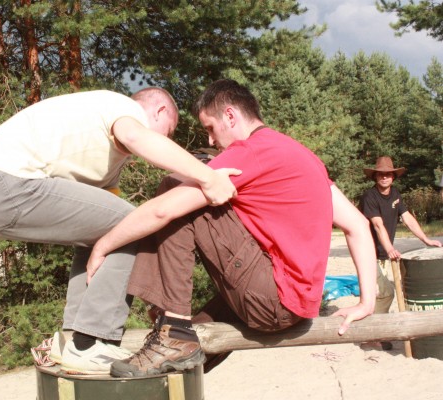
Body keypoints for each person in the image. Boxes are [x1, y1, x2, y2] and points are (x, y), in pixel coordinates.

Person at [86, 79, 377, 378]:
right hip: (294, 306)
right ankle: (172, 341)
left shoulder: (251, 151)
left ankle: (171, 327)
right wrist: (367, 302)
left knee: (175, 186)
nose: (211, 140)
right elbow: (358, 225)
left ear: (230, 116)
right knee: (182, 365)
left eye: (211, 128)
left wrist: (103, 245)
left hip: (270, 298)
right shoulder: (302, 155)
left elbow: (163, 210)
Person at [0, 87, 240, 374]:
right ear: (159, 111)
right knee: (134, 223)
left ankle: (75, 341)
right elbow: (135, 139)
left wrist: (150, 298)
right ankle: (90, 342)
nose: (166, 140)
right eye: (168, 131)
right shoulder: (122, 108)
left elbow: (112, 239)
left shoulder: (108, 163)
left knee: (115, 232)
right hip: (1, 182)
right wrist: (208, 177)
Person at [359, 156, 442, 350]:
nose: (384, 177)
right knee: (383, 293)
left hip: (382, 255)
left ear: (393, 177)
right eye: (381, 174)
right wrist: (390, 248)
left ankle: (377, 332)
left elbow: (408, 218)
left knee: (380, 293)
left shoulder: (395, 194)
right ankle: (371, 336)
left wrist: (425, 239)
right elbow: (377, 225)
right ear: (375, 177)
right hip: (367, 253)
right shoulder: (369, 196)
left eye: (388, 174)